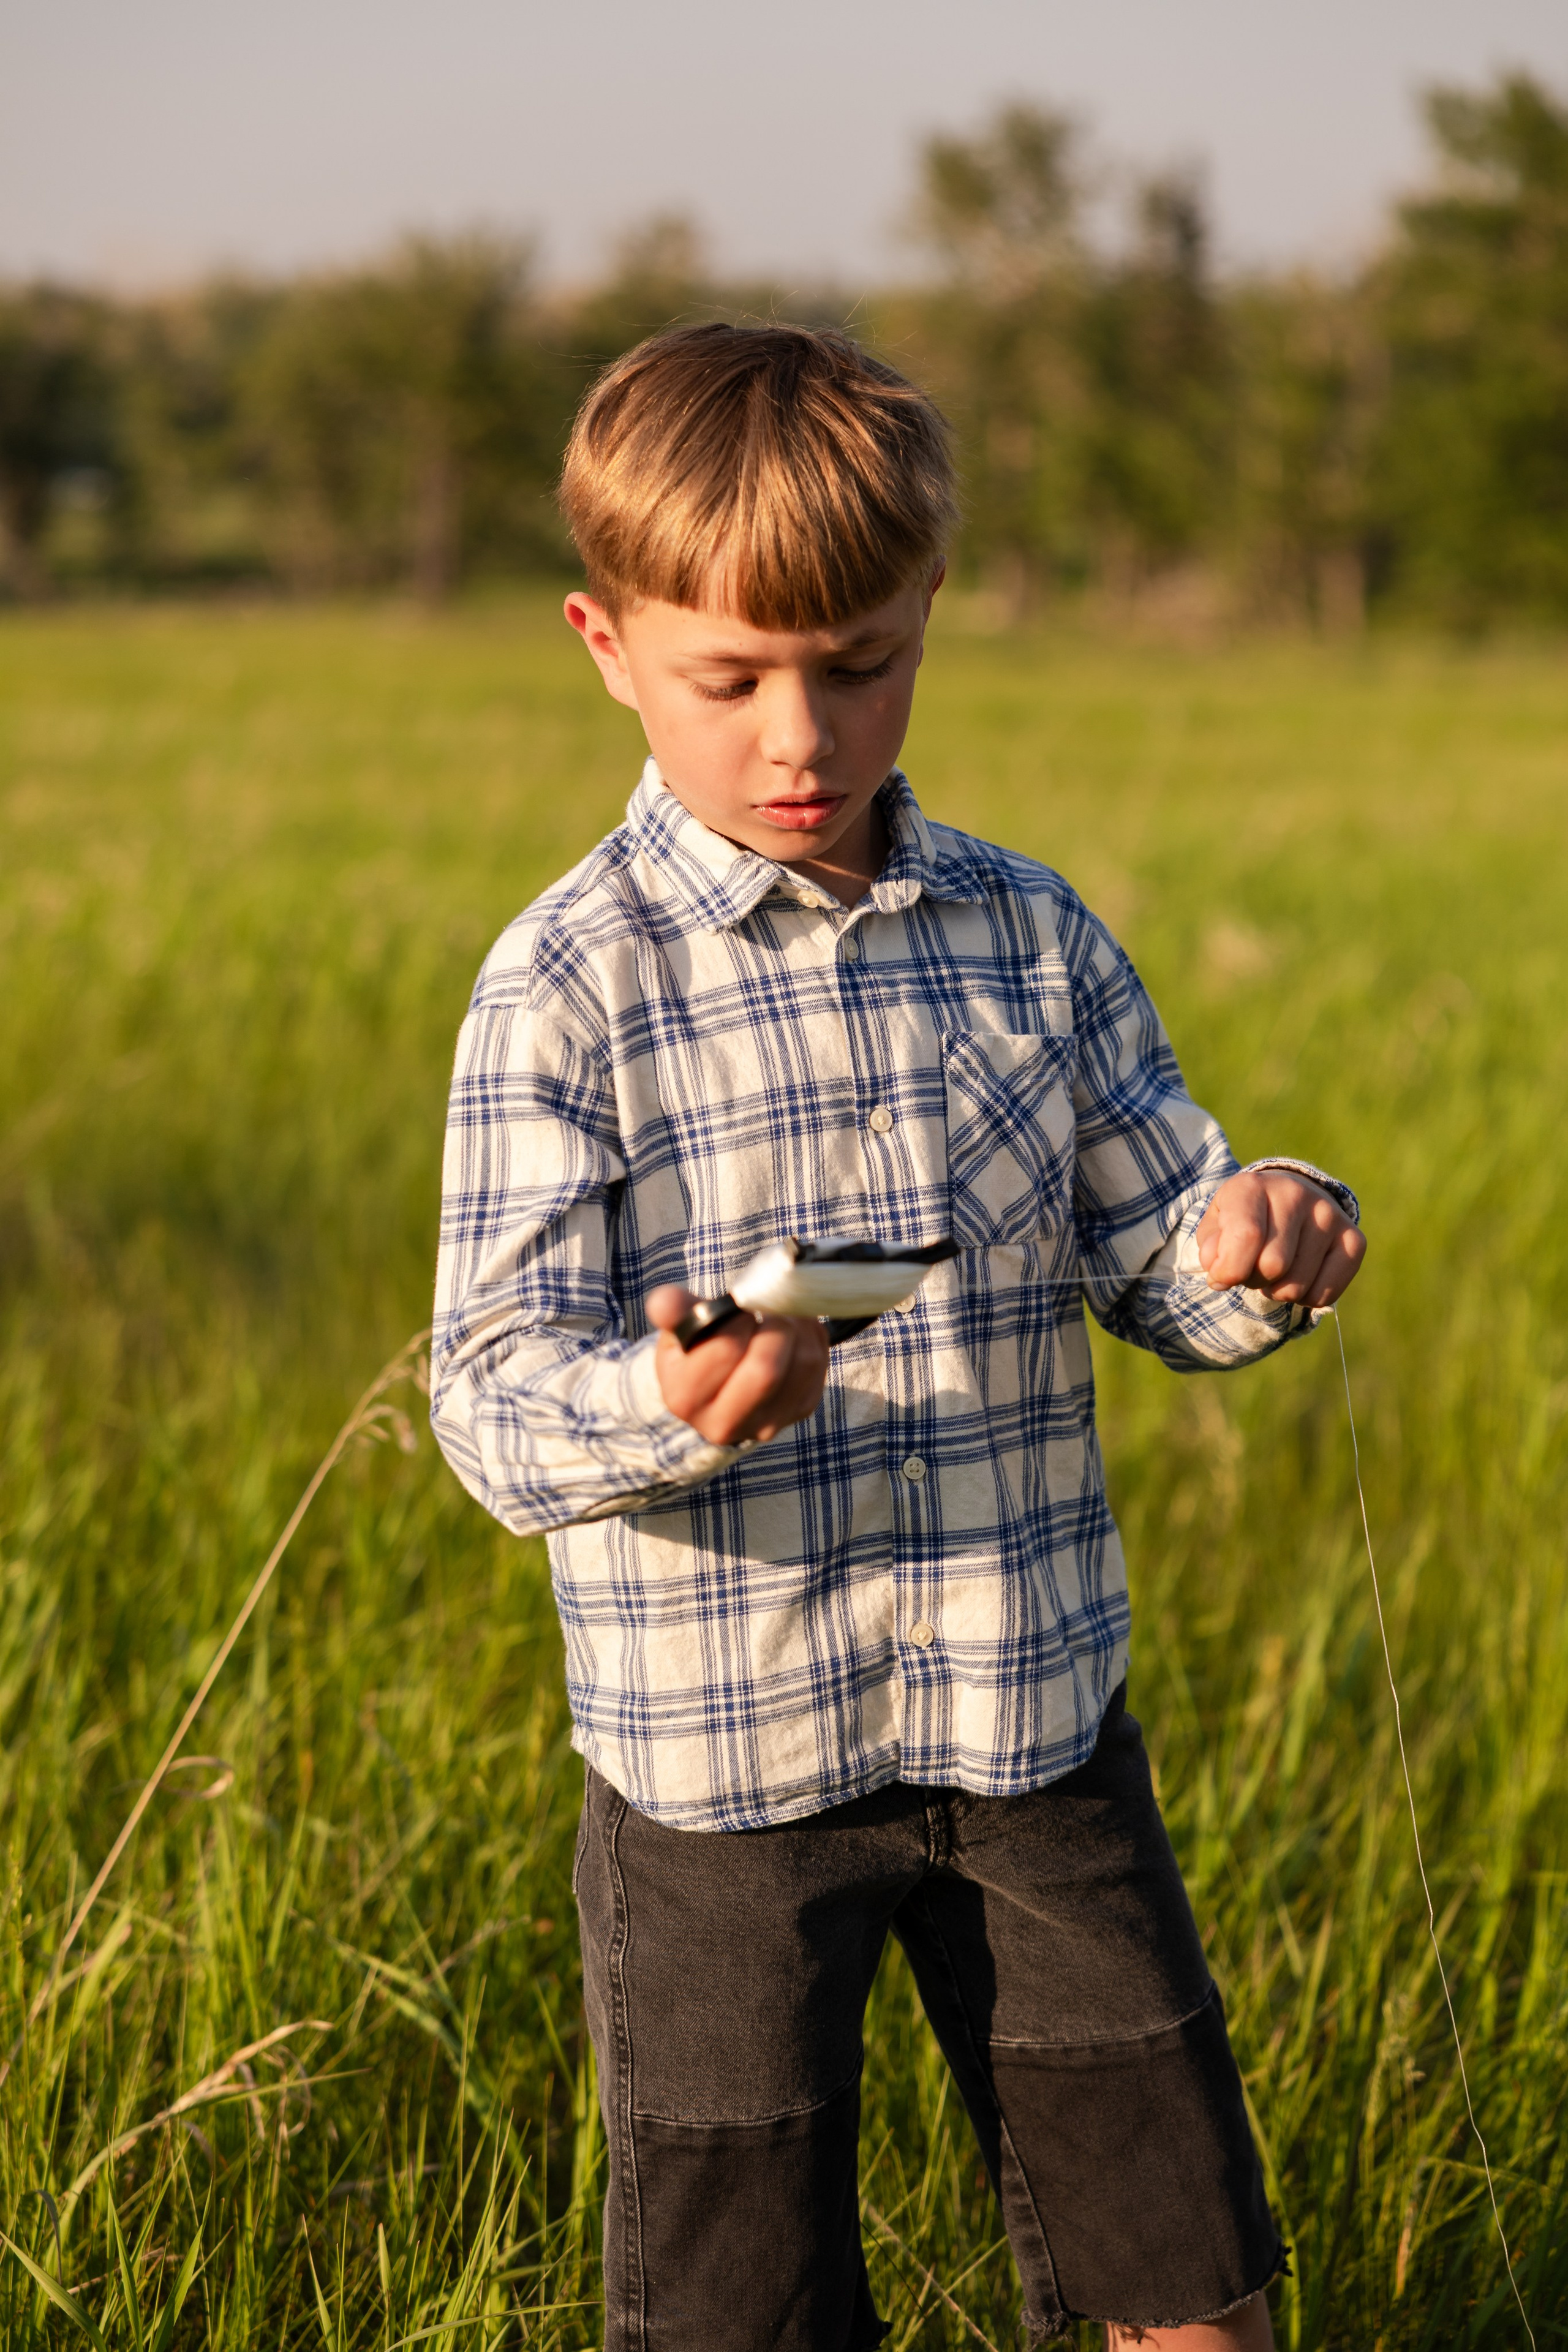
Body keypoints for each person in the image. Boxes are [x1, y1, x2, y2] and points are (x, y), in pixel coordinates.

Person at [430, 322, 1365, 2352]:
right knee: (742, 2306)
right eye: (732, 678)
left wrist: (1263, 1232)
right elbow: (491, 1403)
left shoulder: (1031, 935)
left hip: (1033, 1723)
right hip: (720, 1770)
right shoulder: (566, 987)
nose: (802, 735)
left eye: (858, 664)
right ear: (607, 644)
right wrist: (671, 1402)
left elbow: (1162, 1258)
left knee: (1186, 2280)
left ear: (930, 609)